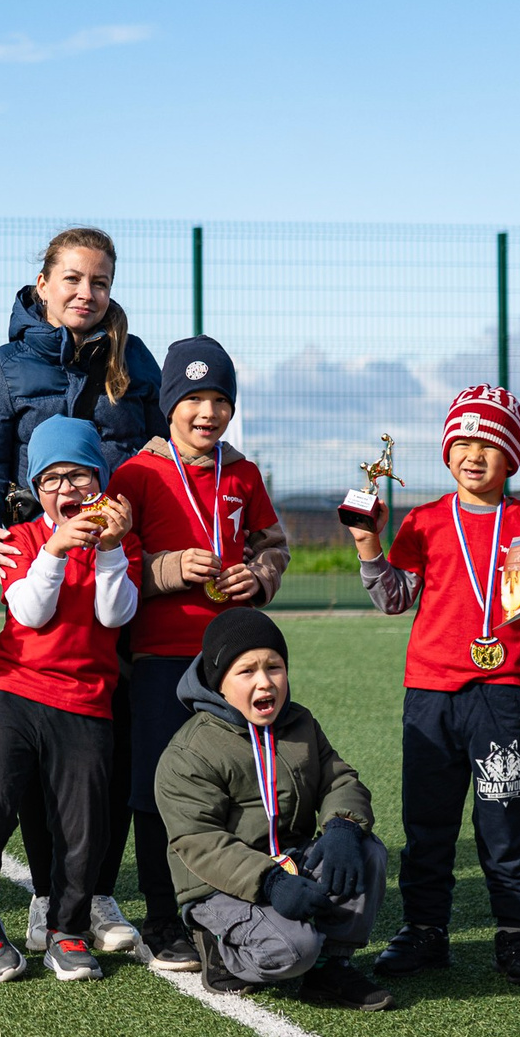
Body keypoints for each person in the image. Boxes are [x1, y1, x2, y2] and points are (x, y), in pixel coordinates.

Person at [0, 227, 160, 959]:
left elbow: (159, 455)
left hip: (116, 569)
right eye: (72, 278)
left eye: (99, 282)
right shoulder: (3, 367)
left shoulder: (134, 359)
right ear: (42, 283)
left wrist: (132, 537)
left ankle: (94, 891)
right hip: (41, 572)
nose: (85, 293)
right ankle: (47, 896)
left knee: (107, 746)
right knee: (42, 743)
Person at [351, 387, 520, 989]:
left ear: (512, 457)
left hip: (503, 694)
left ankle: (516, 933)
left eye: (489, 445)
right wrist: (368, 545)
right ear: (446, 452)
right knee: (428, 821)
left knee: (506, 821)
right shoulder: (424, 521)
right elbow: (394, 599)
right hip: (430, 694)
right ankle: (425, 929)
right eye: (463, 442)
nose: (474, 455)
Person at [103, 337, 289, 968]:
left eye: (220, 401)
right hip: (159, 657)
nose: (208, 413)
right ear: (170, 405)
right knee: (159, 789)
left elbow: (273, 546)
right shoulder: (135, 474)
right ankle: (163, 917)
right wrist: (169, 568)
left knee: (235, 784)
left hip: (229, 662)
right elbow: (116, 566)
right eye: (194, 400)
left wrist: (257, 577)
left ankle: (226, 906)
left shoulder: (244, 473)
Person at [0, 417, 139, 983]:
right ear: (36, 489)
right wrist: (55, 547)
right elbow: (32, 612)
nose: (67, 489)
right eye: (52, 479)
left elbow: (115, 615)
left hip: (87, 702)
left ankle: (66, 929)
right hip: (16, 692)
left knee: (84, 829)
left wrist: (111, 550)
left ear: (99, 481)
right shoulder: (22, 539)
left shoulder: (116, 542)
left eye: (79, 475)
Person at [154, 610, 393, 1010]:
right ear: (219, 683)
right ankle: (218, 947)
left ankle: (331, 968)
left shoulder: (299, 722)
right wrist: (269, 882)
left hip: (289, 860)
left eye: (274, 667)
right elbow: (198, 841)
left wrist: (342, 827)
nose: (264, 681)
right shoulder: (190, 750)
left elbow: (339, 780)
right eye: (246, 671)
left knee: (367, 850)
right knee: (293, 951)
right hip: (218, 884)